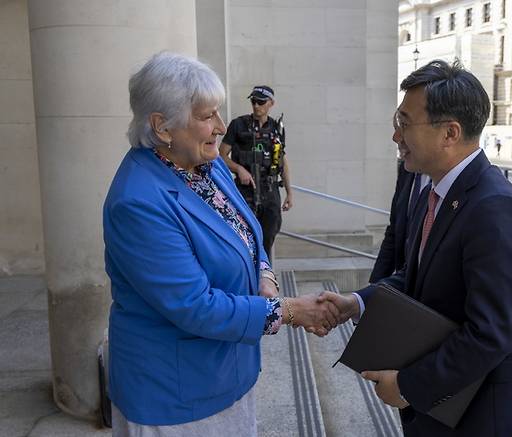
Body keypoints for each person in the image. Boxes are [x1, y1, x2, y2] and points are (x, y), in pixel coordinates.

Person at [321, 60, 512, 436]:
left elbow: (492, 332)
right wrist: (359, 302)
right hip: (445, 407)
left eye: (405, 123)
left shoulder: (494, 209)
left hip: (486, 414)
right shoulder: (433, 191)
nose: (395, 136)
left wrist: (406, 387)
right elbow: (414, 276)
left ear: (450, 132)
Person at [103, 52, 338, 436]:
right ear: (162, 127)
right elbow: (195, 306)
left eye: (218, 112)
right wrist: (291, 310)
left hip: (228, 372)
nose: (220, 126)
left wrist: (266, 276)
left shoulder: (205, 164)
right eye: (206, 116)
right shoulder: (138, 202)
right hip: (175, 396)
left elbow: (249, 232)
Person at [219, 86, 292, 260]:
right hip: (246, 190)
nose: (256, 106)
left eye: (261, 102)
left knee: (268, 235)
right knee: (243, 236)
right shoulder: (238, 124)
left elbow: (282, 160)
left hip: (270, 190)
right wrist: (238, 168)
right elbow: (220, 155)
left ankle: (264, 277)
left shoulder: (277, 128)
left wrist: (289, 192)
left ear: (271, 103)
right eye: (253, 101)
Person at [369, 161, 427, 283]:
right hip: (403, 281)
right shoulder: (406, 170)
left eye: (405, 140)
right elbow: (394, 231)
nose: (397, 141)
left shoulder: (443, 177)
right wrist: (374, 287)